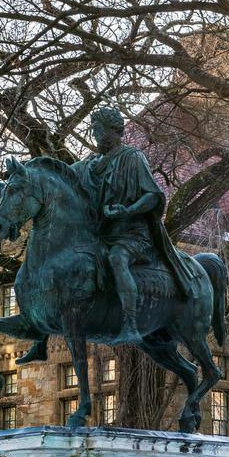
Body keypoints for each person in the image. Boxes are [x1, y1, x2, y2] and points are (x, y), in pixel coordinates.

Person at [74, 106, 196, 343]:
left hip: (132, 235)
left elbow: (153, 195)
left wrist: (127, 211)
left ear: (113, 131)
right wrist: (16, 182)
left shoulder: (132, 158)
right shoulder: (90, 164)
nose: (95, 136)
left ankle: (130, 324)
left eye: (98, 130)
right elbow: (60, 174)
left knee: (116, 259)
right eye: (93, 130)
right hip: (103, 234)